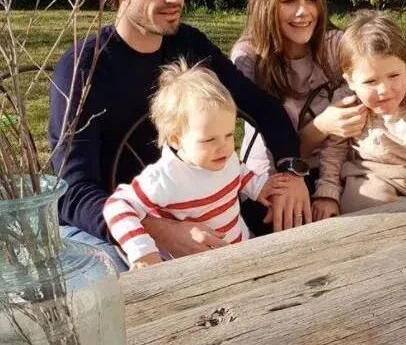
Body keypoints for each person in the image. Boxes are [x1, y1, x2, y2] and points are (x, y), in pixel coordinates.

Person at [49, 0, 311, 272]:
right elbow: (73, 191)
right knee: (105, 276)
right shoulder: (85, 68)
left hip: (206, 208)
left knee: (298, 229)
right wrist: (157, 231)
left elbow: (262, 106)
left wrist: (291, 171)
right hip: (120, 230)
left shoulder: (189, 45)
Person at [230, 0, 406, 227]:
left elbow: (384, 77)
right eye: (288, 1)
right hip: (273, 175)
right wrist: (322, 127)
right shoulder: (249, 58)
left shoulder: (335, 45)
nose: (303, 12)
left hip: (337, 170)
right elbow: (268, 147)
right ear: (265, 3)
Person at [103, 61, 290, 269]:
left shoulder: (223, 157)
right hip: (193, 269)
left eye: (229, 134)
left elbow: (237, 171)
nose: (224, 147)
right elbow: (117, 206)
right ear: (176, 139)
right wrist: (143, 251)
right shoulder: (167, 177)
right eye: (209, 140)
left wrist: (259, 187)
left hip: (239, 250)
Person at [314, 11, 406, 214]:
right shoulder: (348, 104)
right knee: (360, 202)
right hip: (366, 177)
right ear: (350, 81)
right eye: (370, 81)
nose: (384, 90)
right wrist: (327, 193)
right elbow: (334, 151)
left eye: (394, 75)